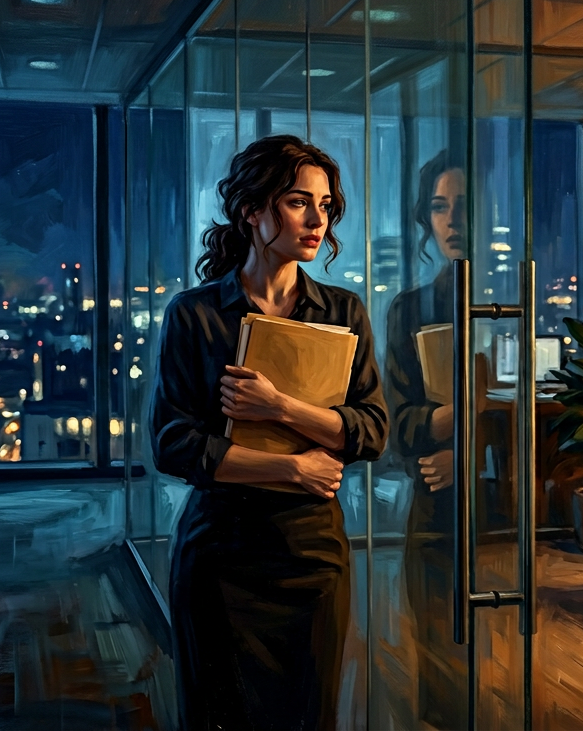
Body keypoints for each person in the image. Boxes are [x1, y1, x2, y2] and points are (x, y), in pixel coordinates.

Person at [150, 135, 388, 731]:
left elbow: (371, 430)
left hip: (313, 556)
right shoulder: (195, 313)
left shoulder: (344, 312)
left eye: (325, 205)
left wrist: (280, 407)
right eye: (298, 202)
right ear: (252, 210)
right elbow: (174, 445)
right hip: (220, 558)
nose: (317, 220)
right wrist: (293, 468)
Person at [384, 150, 468, 730]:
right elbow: (396, 424)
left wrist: (466, 447)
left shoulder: (515, 303)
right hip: (437, 506)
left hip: (510, 515)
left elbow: (539, 407)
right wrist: (454, 422)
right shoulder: (410, 309)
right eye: (439, 207)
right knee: (440, 659)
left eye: (464, 205)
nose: (452, 220)